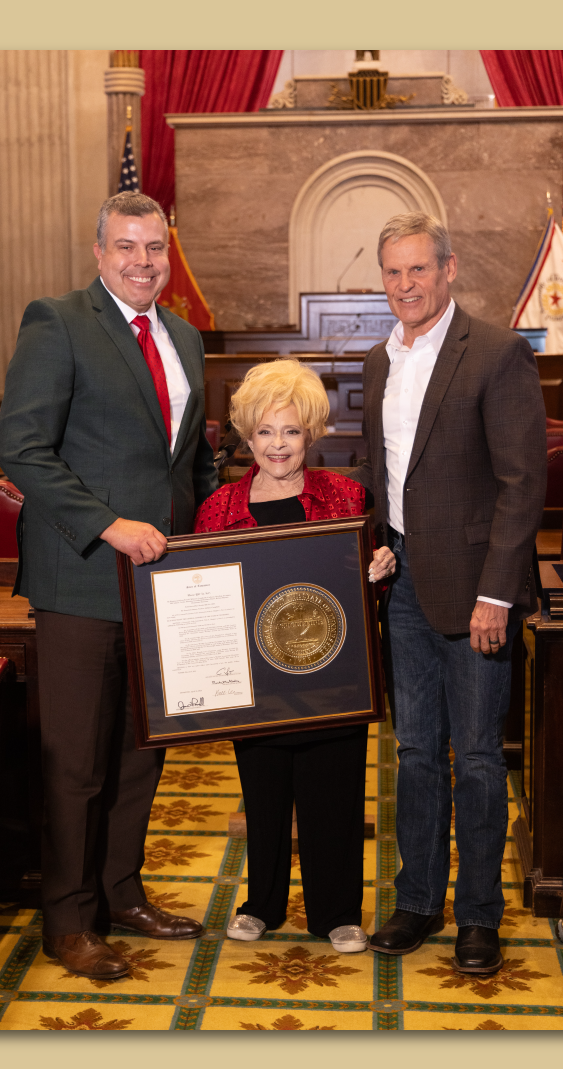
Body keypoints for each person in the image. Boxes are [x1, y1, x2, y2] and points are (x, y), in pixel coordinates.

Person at [0, 191, 218, 979]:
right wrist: (107, 525)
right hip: (83, 577)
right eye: (126, 247)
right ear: (98, 253)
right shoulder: (57, 322)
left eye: (154, 248)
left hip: (165, 583)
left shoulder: (186, 337)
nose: (142, 262)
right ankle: (69, 918)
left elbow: (189, 463)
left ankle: (121, 891)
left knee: (140, 752)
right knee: (75, 760)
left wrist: (216, 535)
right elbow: (21, 449)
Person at [361, 212, 546, 976]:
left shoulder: (496, 354)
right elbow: (383, 471)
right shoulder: (378, 361)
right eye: (393, 273)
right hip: (402, 582)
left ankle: (477, 916)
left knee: (474, 758)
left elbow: (521, 483)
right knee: (412, 754)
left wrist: (497, 594)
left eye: (418, 270)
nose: (405, 285)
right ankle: (417, 903)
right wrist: (373, 539)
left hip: (477, 592)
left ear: (449, 269)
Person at [192, 360, 396, 955]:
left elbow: (368, 586)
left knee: (332, 790)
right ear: (246, 437)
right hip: (254, 679)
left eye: (290, 432)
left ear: (311, 434)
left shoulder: (347, 496)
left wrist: (381, 570)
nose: (277, 446)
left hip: (331, 675)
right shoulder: (219, 509)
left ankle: (337, 912)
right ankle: (263, 903)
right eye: (264, 433)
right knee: (264, 793)